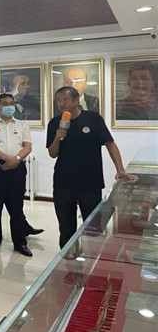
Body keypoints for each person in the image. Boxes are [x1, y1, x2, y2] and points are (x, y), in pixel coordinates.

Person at [48, 86, 138, 248]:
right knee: (66, 228)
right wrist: (57, 137)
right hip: (63, 182)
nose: (61, 104)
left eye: (65, 100)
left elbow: (110, 144)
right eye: (58, 101)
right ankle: (68, 258)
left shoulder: (93, 119)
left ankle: (91, 258)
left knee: (93, 228)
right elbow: (52, 153)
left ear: (77, 100)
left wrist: (119, 169)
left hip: (90, 182)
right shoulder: (55, 123)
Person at [0, 93, 33, 257]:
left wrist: (15, 160)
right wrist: (7, 159)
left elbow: (27, 146)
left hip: (17, 168)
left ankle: (20, 242)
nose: (9, 106)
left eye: (11, 103)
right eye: (5, 103)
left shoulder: (22, 125)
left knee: (17, 207)